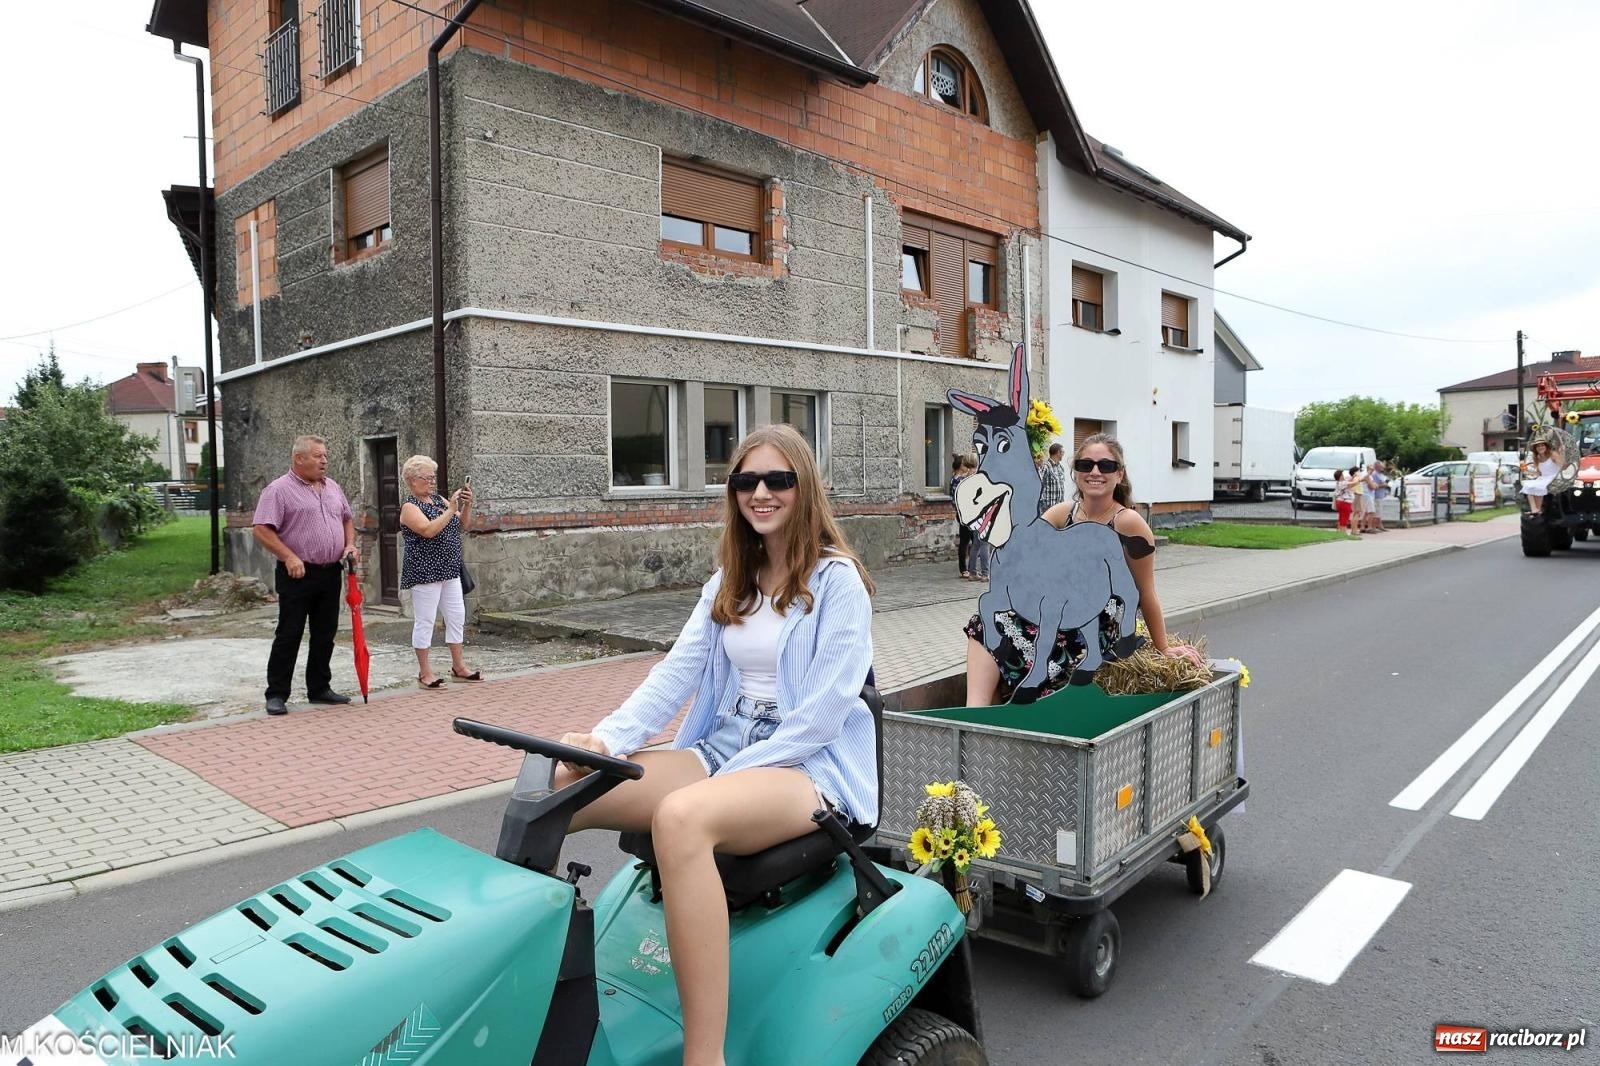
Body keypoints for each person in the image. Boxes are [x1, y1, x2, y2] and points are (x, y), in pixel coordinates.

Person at [556, 423, 876, 1066]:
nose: (761, 492)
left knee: (683, 816)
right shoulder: (732, 577)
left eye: (777, 480)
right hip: (724, 742)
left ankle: (705, 1057)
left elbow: (819, 718)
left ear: (803, 487)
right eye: (746, 480)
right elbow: (674, 673)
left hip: (805, 763)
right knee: (560, 785)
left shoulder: (838, 582)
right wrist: (605, 740)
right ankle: (534, 986)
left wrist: (718, 782)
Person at [964, 433, 1203, 705]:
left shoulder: (1129, 523)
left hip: (1095, 625)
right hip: (1055, 607)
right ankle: (977, 713)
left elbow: (1146, 593)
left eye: (1106, 466)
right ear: (1075, 472)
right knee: (986, 620)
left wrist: (1163, 648)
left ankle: (1016, 696)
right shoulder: (1062, 514)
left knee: (1047, 638)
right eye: (1086, 465)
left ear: (1119, 475)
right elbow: (1025, 550)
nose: (1095, 472)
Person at [252, 435, 358, 716]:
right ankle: (276, 694)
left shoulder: (332, 486)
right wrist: (288, 556)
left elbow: (347, 517)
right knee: (290, 633)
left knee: (325, 632)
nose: (325, 460)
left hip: (329, 572)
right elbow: (261, 528)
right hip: (297, 573)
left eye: (325, 455)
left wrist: (349, 545)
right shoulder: (278, 490)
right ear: (299, 459)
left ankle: (319, 688)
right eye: (318, 456)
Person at [399, 455, 480, 688]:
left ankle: (459, 666)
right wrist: (451, 509)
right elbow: (428, 530)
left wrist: (465, 505)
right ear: (413, 481)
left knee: (456, 617)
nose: (432, 482)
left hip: (450, 569)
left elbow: (462, 525)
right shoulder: (409, 507)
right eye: (427, 478)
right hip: (425, 572)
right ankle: (425, 672)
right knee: (425, 621)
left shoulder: (439, 501)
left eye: (433, 477)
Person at [964, 457, 991, 582]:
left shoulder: (965, 478)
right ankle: (985, 573)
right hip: (982, 513)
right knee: (984, 543)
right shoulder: (980, 477)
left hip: (972, 515)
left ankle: (972, 572)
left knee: (975, 544)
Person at [1521, 439, 1562, 514]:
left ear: (1546, 446)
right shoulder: (1537, 458)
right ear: (1536, 449)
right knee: (1528, 485)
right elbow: (1539, 473)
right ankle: (1534, 509)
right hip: (1543, 478)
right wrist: (1527, 471)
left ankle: (1537, 509)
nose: (1540, 447)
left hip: (1553, 477)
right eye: (1538, 446)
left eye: (1542, 445)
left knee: (1538, 487)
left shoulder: (1552, 454)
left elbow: (1562, 466)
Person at [950, 452, 973, 579]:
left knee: (969, 540)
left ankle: (969, 567)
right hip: (964, 513)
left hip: (963, 513)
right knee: (966, 541)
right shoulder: (958, 480)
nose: (967, 467)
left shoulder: (957, 479)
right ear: (960, 466)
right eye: (965, 465)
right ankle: (965, 569)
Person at [1037, 441, 1067, 516]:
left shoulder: (1060, 467)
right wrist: (1042, 505)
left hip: (1059, 507)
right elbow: (1038, 484)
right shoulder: (1046, 466)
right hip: (1048, 508)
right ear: (1058, 453)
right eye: (1062, 452)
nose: (1063, 454)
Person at [1363, 460, 1390, 533]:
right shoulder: (1374, 475)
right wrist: (1383, 485)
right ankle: (1372, 527)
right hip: (1375, 496)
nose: (1383, 468)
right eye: (1381, 466)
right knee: (1374, 512)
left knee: (1378, 512)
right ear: (1377, 467)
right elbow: (1373, 486)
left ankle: (1379, 526)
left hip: (1380, 495)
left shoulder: (1380, 474)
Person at [1332, 468, 1356, 537]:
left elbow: (1349, 483)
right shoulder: (1342, 483)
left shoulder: (1339, 483)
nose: (1343, 476)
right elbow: (1353, 483)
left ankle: (1339, 531)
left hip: (1340, 501)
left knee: (1341, 516)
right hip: (1345, 502)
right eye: (1342, 475)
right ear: (1340, 476)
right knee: (1345, 518)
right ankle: (1343, 532)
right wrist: (1357, 479)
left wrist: (1353, 477)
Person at [1348, 463, 1367, 532]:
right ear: (1355, 472)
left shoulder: (1355, 478)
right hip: (1357, 495)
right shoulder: (1356, 478)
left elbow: (1363, 479)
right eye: (1358, 471)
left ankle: (1354, 529)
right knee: (1357, 512)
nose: (1359, 472)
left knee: (1356, 513)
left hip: (1357, 495)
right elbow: (1359, 480)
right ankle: (1354, 530)